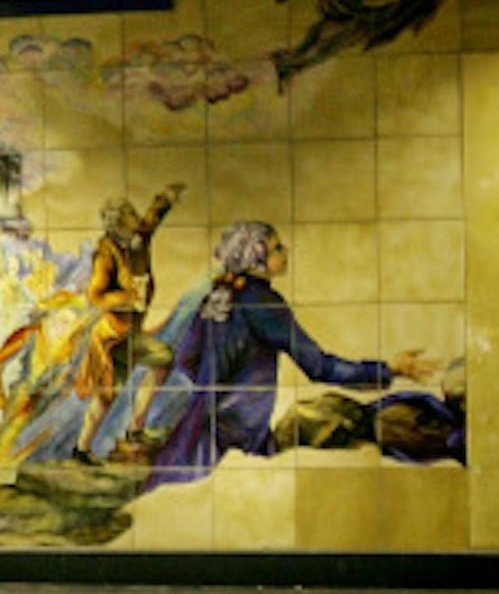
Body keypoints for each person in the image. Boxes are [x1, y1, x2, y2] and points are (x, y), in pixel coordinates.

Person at [145, 220, 431, 488]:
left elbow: (185, 360)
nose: (286, 251)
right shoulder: (263, 305)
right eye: (277, 248)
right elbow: (319, 366)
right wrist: (389, 369)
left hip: (196, 431)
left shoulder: (216, 295)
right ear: (256, 262)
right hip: (239, 438)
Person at [73, 183, 182, 463]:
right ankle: (82, 449)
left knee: (162, 360)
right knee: (107, 393)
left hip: (131, 332)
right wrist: (127, 296)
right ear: (118, 225)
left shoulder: (137, 238)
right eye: (130, 221)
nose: (137, 227)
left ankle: (133, 429)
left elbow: (151, 220)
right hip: (113, 337)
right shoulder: (106, 253)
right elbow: (95, 295)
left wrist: (165, 198)